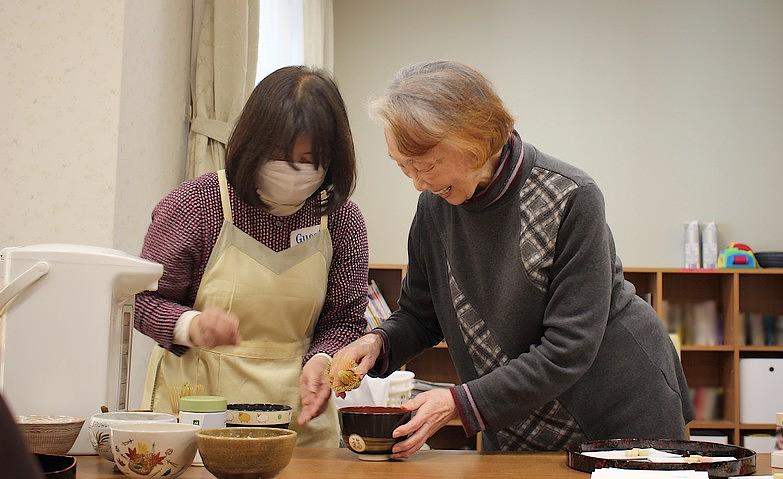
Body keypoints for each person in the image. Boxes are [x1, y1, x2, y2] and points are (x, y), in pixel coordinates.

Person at [326, 61, 693, 457]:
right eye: (404, 168)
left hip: (618, 407)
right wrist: (379, 343)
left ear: (476, 137)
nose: (419, 182)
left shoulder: (571, 196)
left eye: (427, 165)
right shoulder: (435, 208)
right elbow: (420, 314)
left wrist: (458, 402)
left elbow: (568, 347)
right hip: (520, 419)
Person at [135, 66, 368, 447]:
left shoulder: (340, 218)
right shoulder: (197, 204)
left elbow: (344, 321)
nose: (292, 172)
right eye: (279, 155)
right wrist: (190, 326)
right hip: (196, 412)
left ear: (332, 159)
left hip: (296, 417)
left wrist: (323, 358)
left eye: (308, 160)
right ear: (251, 143)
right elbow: (144, 302)